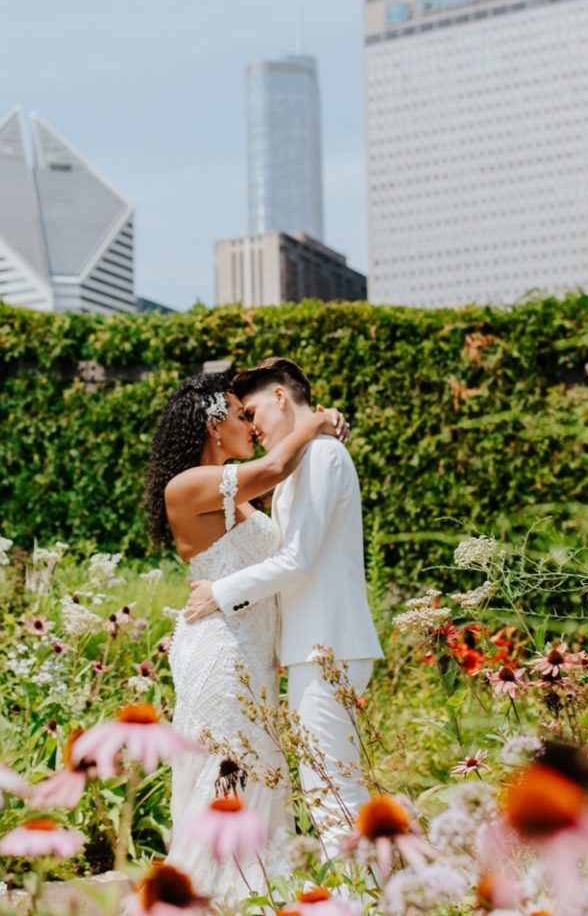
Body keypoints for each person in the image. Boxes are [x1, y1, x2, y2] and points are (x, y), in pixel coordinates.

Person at [144, 370, 349, 905]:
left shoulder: (234, 490)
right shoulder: (187, 484)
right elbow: (280, 465)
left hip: (253, 653)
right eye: (241, 416)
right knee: (230, 775)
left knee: (260, 775)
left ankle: (253, 893)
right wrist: (319, 420)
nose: (251, 426)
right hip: (221, 650)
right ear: (215, 426)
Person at [183, 357, 383, 858]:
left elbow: (297, 558)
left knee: (331, 790)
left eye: (252, 412)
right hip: (308, 650)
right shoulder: (303, 462)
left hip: (328, 645)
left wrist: (220, 592)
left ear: (279, 397)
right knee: (328, 788)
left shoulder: (323, 456)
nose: (251, 425)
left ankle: (366, 901)